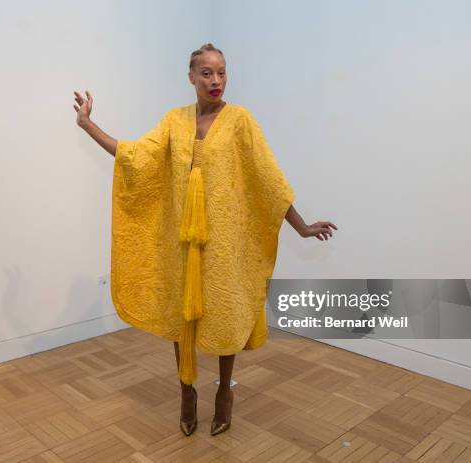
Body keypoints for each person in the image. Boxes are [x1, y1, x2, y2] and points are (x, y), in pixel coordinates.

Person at [73, 43, 338, 437]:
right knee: (185, 318)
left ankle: (224, 394)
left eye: (222, 72)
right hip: (182, 242)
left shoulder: (240, 121)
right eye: (207, 73)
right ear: (191, 77)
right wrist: (88, 125)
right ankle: (186, 392)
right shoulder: (173, 121)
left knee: (225, 314)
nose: (216, 81)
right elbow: (135, 157)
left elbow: (268, 179)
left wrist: (300, 226)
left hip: (223, 241)